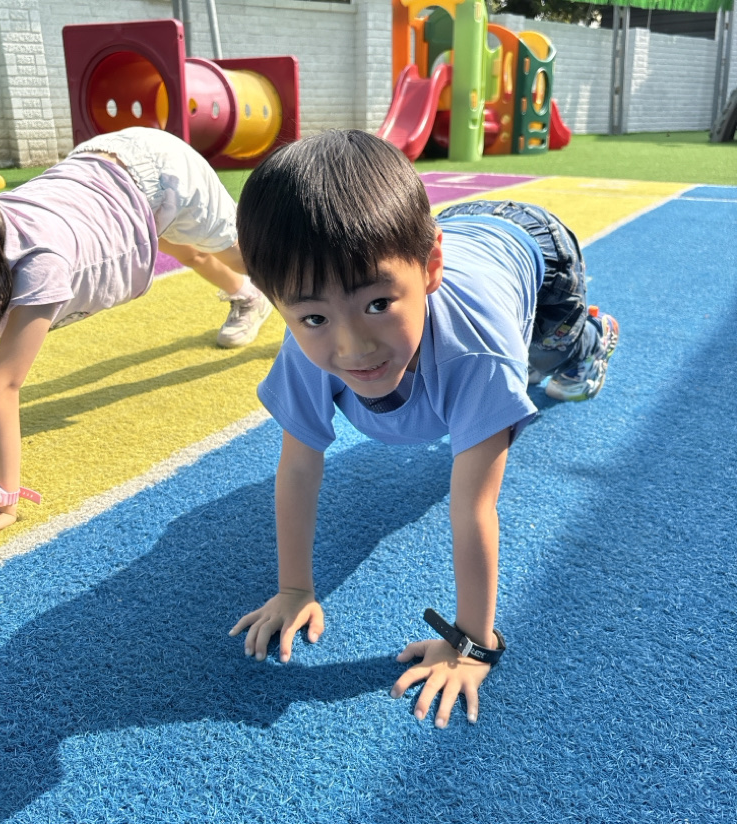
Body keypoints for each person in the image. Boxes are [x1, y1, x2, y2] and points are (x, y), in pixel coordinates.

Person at [229, 129, 619, 728]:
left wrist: (472, 644)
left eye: (378, 305)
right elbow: (299, 467)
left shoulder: (477, 355)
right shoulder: (307, 342)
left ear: (430, 267)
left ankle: (592, 337)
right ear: (277, 303)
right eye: (313, 317)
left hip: (533, 250)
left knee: (551, 356)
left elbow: (473, 507)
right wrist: (293, 589)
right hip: (455, 235)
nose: (353, 347)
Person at [0, 127, 272, 549]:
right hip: (102, 169)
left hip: (161, 173)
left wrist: (1, 503)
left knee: (244, 256)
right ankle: (247, 297)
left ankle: (314, 300)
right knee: (182, 246)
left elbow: (3, 384)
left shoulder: (39, 265)